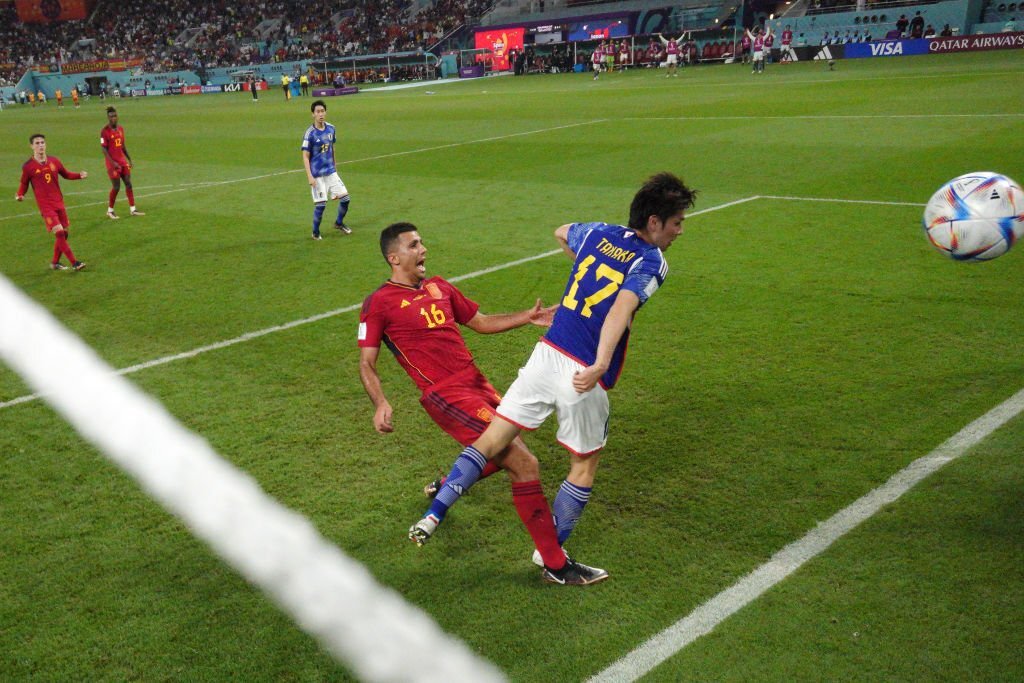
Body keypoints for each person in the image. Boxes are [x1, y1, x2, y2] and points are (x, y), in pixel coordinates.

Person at [409, 172, 698, 586]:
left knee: (493, 438)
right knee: (584, 464)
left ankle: (435, 512)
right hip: (582, 371)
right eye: (676, 223)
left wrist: (588, 264)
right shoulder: (651, 260)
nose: (679, 231)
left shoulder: (599, 233)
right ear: (654, 222)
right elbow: (620, 309)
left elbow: (562, 231)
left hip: (546, 353)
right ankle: (552, 556)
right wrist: (600, 363)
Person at [358, 222, 556, 497]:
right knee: (520, 459)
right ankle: (548, 542)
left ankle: (446, 485)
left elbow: (481, 322)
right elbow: (367, 362)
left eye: (421, 242)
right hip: (446, 391)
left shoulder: (439, 286)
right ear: (394, 258)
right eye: (414, 245)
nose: (423, 249)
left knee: (503, 444)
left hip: (475, 380)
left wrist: (528, 316)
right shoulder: (379, 302)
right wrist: (380, 402)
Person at [15, 134, 88, 272]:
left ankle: (55, 262)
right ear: (32, 146)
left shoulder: (54, 161)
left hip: (58, 202)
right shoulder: (28, 166)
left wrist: (79, 175)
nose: (40, 145)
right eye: (37, 143)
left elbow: (66, 174)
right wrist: (20, 194)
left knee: (64, 234)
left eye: (42, 142)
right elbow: (24, 183)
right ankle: (75, 262)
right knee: (60, 232)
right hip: (45, 206)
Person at [302, 100, 351, 239]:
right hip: (317, 175)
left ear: (326, 112)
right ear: (313, 114)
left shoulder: (331, 128)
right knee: (321, 206)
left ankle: (339, 223)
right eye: (317, 112)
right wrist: (309, 177)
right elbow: (305, 156)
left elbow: (332, 148)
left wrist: (335, 167)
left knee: (346, 199)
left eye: (322, 111)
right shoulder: (309, 133)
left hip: (330, 172)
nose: (320, 114)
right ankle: (315, 232)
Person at [101, 106, 144, 219]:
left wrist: (129, 159)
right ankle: (110, 211)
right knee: (116, 187)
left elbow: (122, 146)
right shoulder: (104, 131)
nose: (113, 118)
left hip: (122, 161)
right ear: (108, 117)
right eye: (111, 116)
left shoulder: (121, 129)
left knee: (128, 183)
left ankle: (133, 209)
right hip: (112, 164)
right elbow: (104, 150)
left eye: (115, 116)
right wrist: (113, 163)